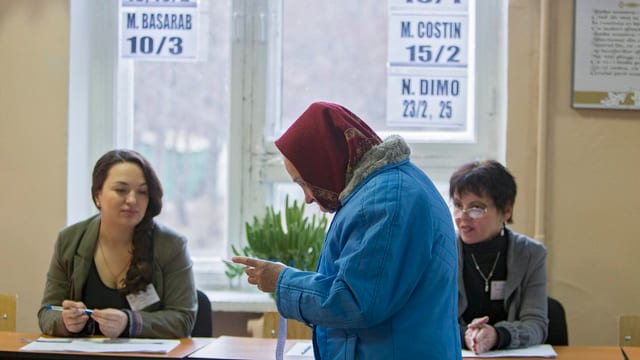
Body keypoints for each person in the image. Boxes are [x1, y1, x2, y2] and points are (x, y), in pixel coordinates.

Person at [232, 102, 461, 359]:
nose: (307, 197)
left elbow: (358, 301)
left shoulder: (386, 200)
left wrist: (282, 281)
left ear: (324, 163)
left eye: (303, 182)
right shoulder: (383, 189)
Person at [38, 149, 197, 338]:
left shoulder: (171, 245)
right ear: (98, 195)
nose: (132, 200)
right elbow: (46, 314)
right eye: (121, 190)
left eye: (142, 192)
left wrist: (129, 322)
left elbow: (183, 319)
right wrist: (66, 321)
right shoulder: (70, 240)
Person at [449, 160, 548, 354]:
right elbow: (432, 321)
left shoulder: (531, 254)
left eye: (476, 207)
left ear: (506, 210)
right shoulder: (443, 251)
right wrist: (467, 336)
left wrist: (496, 335)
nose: (463, 216)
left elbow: (536, 325)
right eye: (458, 205)